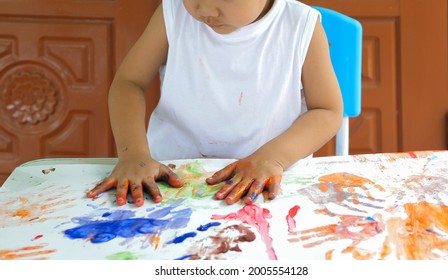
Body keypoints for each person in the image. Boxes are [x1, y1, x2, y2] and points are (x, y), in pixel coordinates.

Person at [87, 0, 343, 207]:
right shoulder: (173, 13)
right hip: (172, 179)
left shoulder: (301, 26)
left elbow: (326, 110)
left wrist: (274, 158)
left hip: (271, 184)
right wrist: (134, 156)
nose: (206, 9)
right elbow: (128, 83)